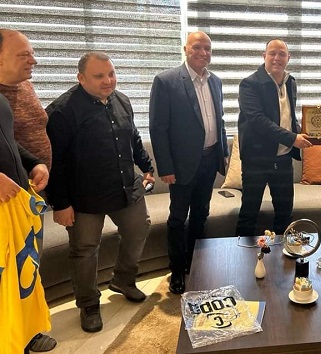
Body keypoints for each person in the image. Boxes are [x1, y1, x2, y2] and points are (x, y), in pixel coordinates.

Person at [45, 52, 155, 333]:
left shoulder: (122, 100)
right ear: (81, 78)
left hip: (125, 187)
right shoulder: (61, 111)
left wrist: (146, 167)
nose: (108, 81)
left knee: (139, 228)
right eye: (99, 76)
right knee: (84, 250)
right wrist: (60, 204)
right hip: (84, 197)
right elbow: (54, 163)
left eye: (111, 74)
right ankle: (89, 304)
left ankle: (123, 280)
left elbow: (133, 138)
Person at [149, 31, 228, 295]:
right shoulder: (166, 81)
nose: (203, 53)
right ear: (185, 49)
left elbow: (219, 120)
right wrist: (166, 167)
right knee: (177, 218)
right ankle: (176, 270)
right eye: (197, 47)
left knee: (201, 214)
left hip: (209, 160)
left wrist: (223, 152)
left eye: (208, 48)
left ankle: (195, 263)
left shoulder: (215, 81)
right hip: (181, 166)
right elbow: (158, 128)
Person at [0, 29, 57, 352]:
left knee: (24, 271)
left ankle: (25, 332)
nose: (33, 60)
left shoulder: (10, 95)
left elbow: (9, 142)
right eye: (24, 55)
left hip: (22, 201)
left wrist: (35, 162)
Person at [235, 39, 312, 237]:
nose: (277, 58)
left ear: (288, 58)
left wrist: (309, 131)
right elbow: (258, 121)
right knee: (249, 214)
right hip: (256, 161)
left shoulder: (290, 82)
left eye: (282, 54)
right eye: (272, 53)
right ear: (264, 56)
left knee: (285, 215)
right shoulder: (249, 84)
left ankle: (282, 255)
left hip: (284, 160)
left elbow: (287, 117)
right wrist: (292, 138)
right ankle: (242, 255)